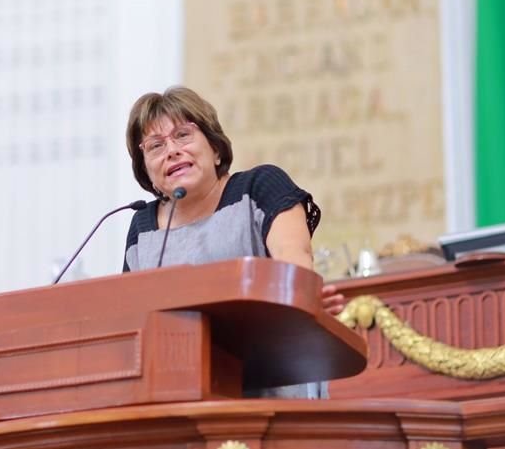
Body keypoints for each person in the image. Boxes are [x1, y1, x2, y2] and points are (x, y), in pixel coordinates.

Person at [121, 86, 344, 398]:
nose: (171, 150)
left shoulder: (258, 188)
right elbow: (131, 324)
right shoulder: (141, 229)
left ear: (214, 148)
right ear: (147, 172)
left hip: (268, 395)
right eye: (155, 146)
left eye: (183, 135)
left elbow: (293, 262)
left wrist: (302, 294)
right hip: (176, 404)